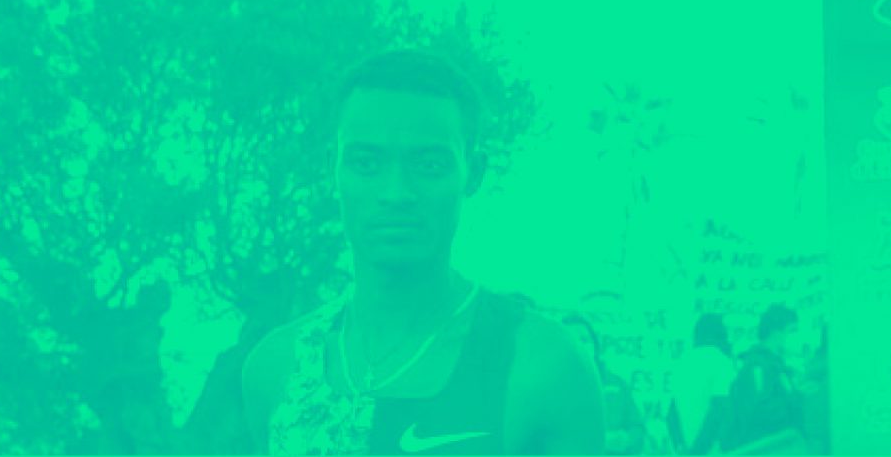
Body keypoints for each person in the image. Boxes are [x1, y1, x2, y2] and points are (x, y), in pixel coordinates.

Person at [242, 50, 605, 455]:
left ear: (474, 172)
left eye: (429, 165)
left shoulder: (540, 367)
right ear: (334, 169)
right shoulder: (276, 370)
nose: (396, 192)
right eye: (366, 163)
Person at [692, 305, 809, 454]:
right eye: (792, 330)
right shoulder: (758, 366)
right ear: (776, 332)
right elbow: (760, 412)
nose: (797, 336)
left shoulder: (776, 367)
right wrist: (796, 397)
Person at [563, 314, 650, 456]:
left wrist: (627, 439)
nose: (580, 345)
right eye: (572, 340)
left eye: (584, 339)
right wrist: (598, 441)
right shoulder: (549, 389)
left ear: (595, 346)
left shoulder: (617, 384)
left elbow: (637, 427)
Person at [670, 313, 739, 453]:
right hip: (711, 450)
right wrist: (697, 451)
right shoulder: (721, 361)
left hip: (686, 449)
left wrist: (681, 446)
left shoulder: (682, 363)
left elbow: (671, 415)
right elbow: (719, 410)